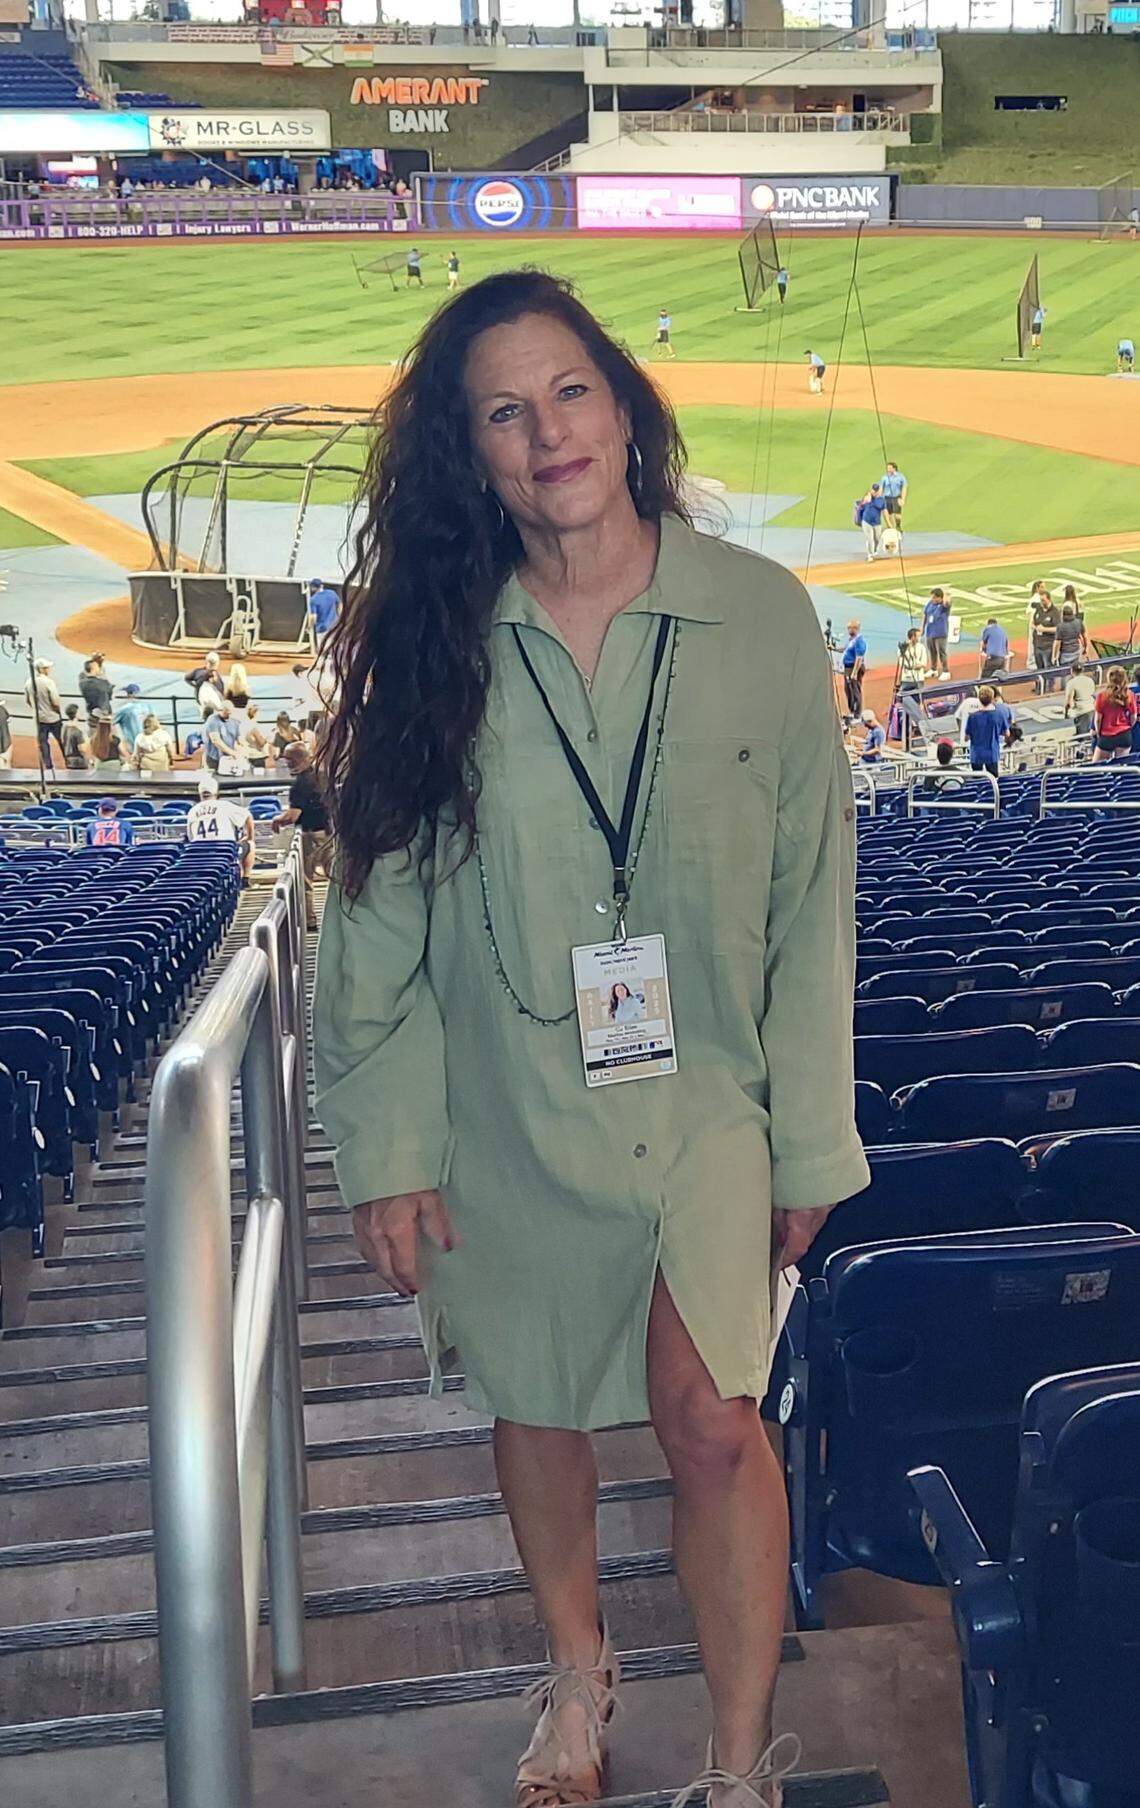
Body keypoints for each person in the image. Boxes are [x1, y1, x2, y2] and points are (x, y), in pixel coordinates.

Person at [312, 270, 867, 1808]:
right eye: (502, 410)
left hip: (709, 1104)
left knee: (711, 1417)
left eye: (567, 390)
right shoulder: (434, 649)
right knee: (540, 1400)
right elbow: (376, 924)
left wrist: (812, 1139)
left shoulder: (764, 618)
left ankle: (744, 1757)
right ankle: (578, 1668)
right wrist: (387, 1152)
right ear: (470, 456)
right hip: (508, 1102)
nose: (544, 431)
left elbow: (816, 895)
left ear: (622, 404)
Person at [272, 742, 331, 932]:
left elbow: (293, 815)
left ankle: (310, 920)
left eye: (289, 759)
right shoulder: (323, 776)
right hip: (328, 833)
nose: (287, 763)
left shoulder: (299, 785)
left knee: (306, 880)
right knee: (337, 876)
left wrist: (278, 821)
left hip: (309, 833)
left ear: (296, 759)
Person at [185, 774, 255, 882]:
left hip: (200, 855)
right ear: (216, 793)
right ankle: (246, 879)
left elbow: (191, 838)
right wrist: (249, 836)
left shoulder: (192, 811)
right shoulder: (225, 805)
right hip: (225, 852)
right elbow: (248, 815)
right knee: (250, 844)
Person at [25, 658, 65, 768]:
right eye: (47, 667)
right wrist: (58, 712)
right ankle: (68, 761)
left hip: (39, 718)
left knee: (43, 742)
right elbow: (55, 702)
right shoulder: (49, 682)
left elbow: (28, 700)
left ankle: (48, 765)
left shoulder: (29, 682)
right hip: (53, 717)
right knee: (62, 740)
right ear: (42, 669)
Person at [1093, 665, 1137, 763]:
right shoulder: (1129, 695)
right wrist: (1128, 726)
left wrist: (1099, 733)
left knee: (1096, 766)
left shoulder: (1101, 696)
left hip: (1106, 735)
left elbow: (1098, 720)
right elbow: (1133, 716)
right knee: (1122, 766)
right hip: (1124, 734)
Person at [963, 685, 1005, 776]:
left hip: (976, 755)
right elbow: (1006, 732)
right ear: (992, 698)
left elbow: (966, 737)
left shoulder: (972, 717)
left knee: (977, 781)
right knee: (994, 781)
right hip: (992, 754)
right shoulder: (998, 714)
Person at [1030, 588, 1061, 689]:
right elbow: (1033, 622)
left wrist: (1044, 629)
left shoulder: (1055, 612)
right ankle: (1039, 687)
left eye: (1043, 600)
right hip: (1037, 644)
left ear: (1049, 599)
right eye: (1041, 600)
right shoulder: (1039, 609)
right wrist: (1035, 627)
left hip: (1048, 645)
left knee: (1048, 667)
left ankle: (1049, 687)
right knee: (1039, 668)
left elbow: (1058, 628)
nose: (1042, 602)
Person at [203, 700, 241, 773]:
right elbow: (216, 741)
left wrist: (240, 751)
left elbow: (238, 740)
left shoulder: (234, 721)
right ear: (220, 710)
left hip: (229, 757)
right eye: (226, 713)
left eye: (230, 713)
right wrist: (233, 753)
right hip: (214, 758)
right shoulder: (213, 720)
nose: (229, 715)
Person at [922, 588, 951, 680]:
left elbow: (947, 602)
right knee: (932, 651)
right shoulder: (930, 604)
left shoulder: (943, 606)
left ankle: (946, 671)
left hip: (940, 633)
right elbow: (925, 614)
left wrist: (945, 594)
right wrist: (922, 627)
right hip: (930, 632)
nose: (932, 599)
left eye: (934, 598)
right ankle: (933, 669)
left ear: (940, 598)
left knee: (941, 652)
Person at [78, 654, 113, 729]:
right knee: (105, 737)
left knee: (93, 735)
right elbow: (110, 693)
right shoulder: (102, 682)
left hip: (91, 713)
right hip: (104, 715)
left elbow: (85, 675)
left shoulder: (82, 682)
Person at [841, 619, 867, 720]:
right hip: (848, 667)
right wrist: (833, 648)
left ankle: (857, 714)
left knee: (855, 690)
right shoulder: (851, 640)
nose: (849, 630)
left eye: (851, 628)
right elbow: (845, 650)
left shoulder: (859, 640)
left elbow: (859, 657)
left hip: (854, 667)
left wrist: (855, 672)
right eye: (848, 628)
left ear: (856, 628)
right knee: (848, 690)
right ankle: (852, 711)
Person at [1064, 661, 1096, 741]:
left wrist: (1066, 713)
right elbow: (1092, 694)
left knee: (1082, 737)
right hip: (1092, 709)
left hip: (1081, 712)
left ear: (1072, 671)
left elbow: (1069, 702)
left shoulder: (1071, 683)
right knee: (1090, 734)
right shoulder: (1090, 680)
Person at [113, 682, 146, 752]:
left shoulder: (124, 709)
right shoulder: (146, 707)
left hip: (133, 745)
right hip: (148, 743)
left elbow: (110, 722)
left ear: (128, 694)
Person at [239, 701, 271, 770]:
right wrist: (268, 738)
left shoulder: (243, 725)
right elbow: (261, 743)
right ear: (256, 713)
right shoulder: (254, 727)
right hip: (258, 757)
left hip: (248, 756)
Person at [858, 484, 885, 562]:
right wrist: (865, 500)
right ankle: (869, 555)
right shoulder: (867, 497)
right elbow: (860, 506)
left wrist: (872, 500)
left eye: (876, 490)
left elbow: (879, 506)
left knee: (877, 538)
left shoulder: (880, 500)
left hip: (877, 522)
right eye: (873, 490)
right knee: (870, 538)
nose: (874, 492)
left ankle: (874, 551)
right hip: (866, 522)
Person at [1056, 602, 1086, 670]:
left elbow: (1057, 642)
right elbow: (1084, 636)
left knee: (1065, 674)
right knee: (1076, 671)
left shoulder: (1061, 626)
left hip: (1065, 653)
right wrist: (1085, 647)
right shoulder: (1078, 622)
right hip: (1076, 651)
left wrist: (1054, 656)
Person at [878, 461, 907, 529]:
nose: (888, 470)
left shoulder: (900, 477)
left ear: (894, 469)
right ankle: (891, 528)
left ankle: (898, 526)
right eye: (887, 468)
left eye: (890, 468)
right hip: (887, 498)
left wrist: (903, 499)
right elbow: (881, 488)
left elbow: (904, 487)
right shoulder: (884, 477)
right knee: (889, 514)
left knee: (897, 514)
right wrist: (879, 497)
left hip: (896, 497)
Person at [61, 703, 89, 770]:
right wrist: (87, 740)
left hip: (68, 760)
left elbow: (63, 741)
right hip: (79, 762)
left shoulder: (65, 728)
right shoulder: (78, 731)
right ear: (76, 714)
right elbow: (82, 749)